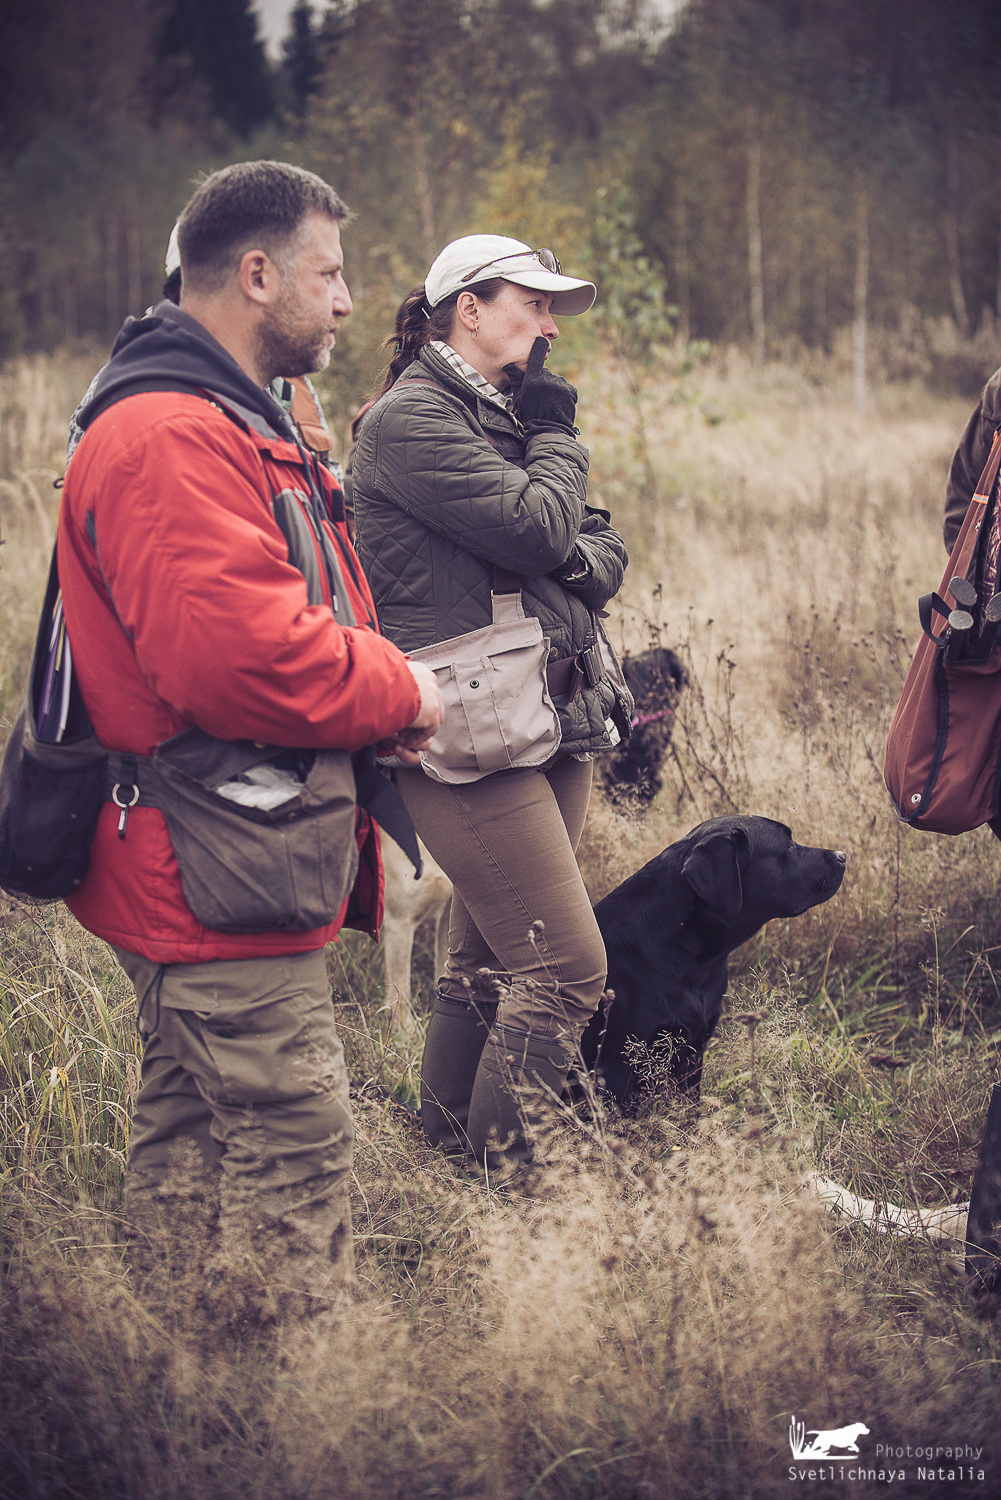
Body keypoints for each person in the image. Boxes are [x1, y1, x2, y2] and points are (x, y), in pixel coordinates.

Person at [57, 160, 443, 1323]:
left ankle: (168, 1376)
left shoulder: (224, 418)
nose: (343, 302)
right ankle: (286, 1411)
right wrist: (400, 688)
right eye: (328, 274)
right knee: (295, 1137)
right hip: (207, 864)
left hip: (220, 852)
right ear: (255, 271)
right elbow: (238, 662)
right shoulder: (169, 437)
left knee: (186, 1120)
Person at [350, 233, 632, 1172]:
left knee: (484, 965)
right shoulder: (409, 424)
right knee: (565, 972)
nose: (550, 327)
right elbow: (542, 521)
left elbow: (594, 543)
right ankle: (511, 1201)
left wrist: (564, 545)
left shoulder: (498, 412)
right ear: (468, 307)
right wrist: (555, 439)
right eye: (534, 304)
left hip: (550, 714)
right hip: (465, 733)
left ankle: (445, 1163)